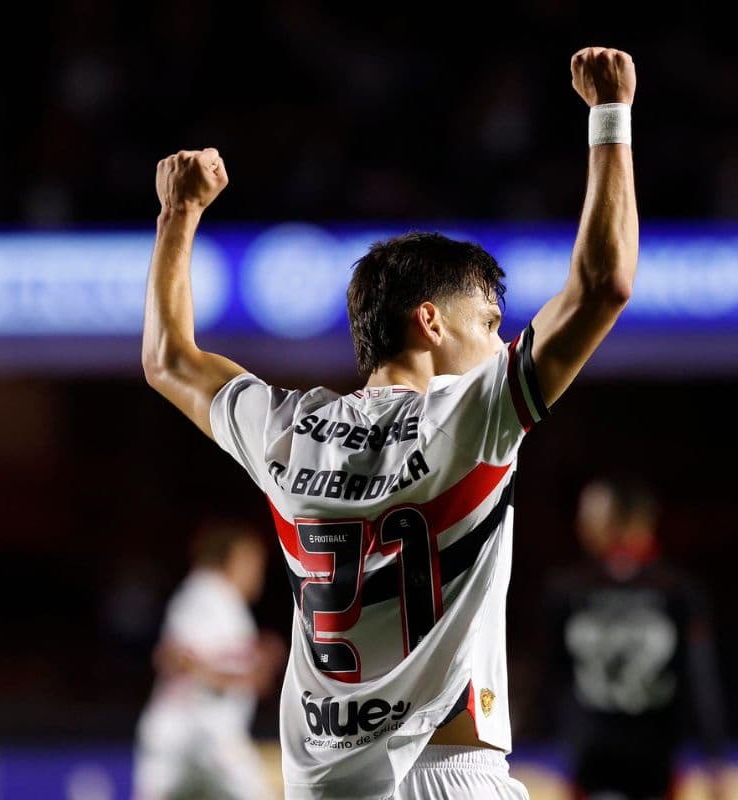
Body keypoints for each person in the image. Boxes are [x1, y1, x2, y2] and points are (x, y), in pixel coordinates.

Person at [140, 45, 638, 800]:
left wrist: (178, 214)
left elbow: (169, 359)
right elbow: (604, 285)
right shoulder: (470, 415)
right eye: (491, 320)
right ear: (430, 321)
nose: (501, 340)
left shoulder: (285, 428)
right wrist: (611, 113)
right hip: (450, 774)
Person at [548, 478, 726, 800]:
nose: (581, 525)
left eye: (591, 515)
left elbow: (699, 678)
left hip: (627, 758)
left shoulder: (572, 589)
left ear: (622, 520)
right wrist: (714, 758)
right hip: (611, 760)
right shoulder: (569, 590)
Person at [133, 520, 284, 800]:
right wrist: (230, 679)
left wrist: (255, 661)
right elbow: (174, 655)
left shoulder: (224, 602)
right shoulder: (207, 591)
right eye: (253, 560)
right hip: (200, 735)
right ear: (235, 557)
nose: (257, 571)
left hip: (184, 735)